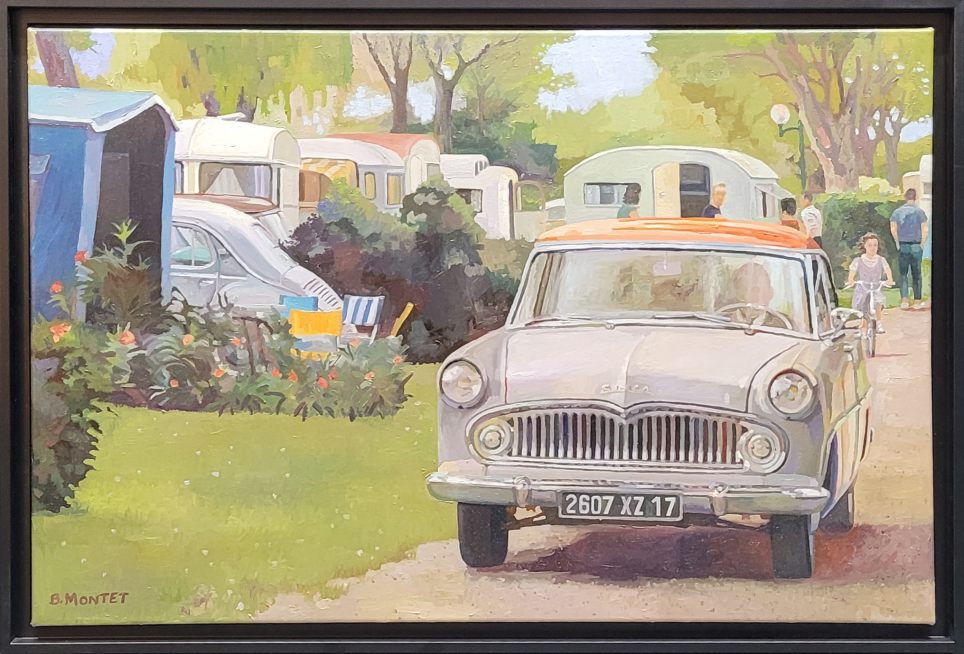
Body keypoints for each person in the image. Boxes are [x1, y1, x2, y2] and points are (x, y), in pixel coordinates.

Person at [846, 232, 895, 334]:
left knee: (878, 301)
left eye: (875, 245)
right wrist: (851, 280)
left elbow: (887, 270)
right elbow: (852, 272)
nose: (873, 248)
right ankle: (864, 324)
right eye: (870, 245)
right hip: (863, 287)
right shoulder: (858, 260)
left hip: (875, 287)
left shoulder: (881, 260)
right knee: (862, 304)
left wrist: (889, 279)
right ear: (864, 246)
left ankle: (879, 323)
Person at [889, 188, 928, 310]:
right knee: (917, 274)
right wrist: (922, 244)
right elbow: (925, 229)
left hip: (903, 245)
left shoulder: (897, 212)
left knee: (903, 274)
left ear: (905, 197)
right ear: (915, 197)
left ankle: (904, 301)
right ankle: (917, 301)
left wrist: (897, 243)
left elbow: (893, 229)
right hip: (916, 245)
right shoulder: (920, 212)